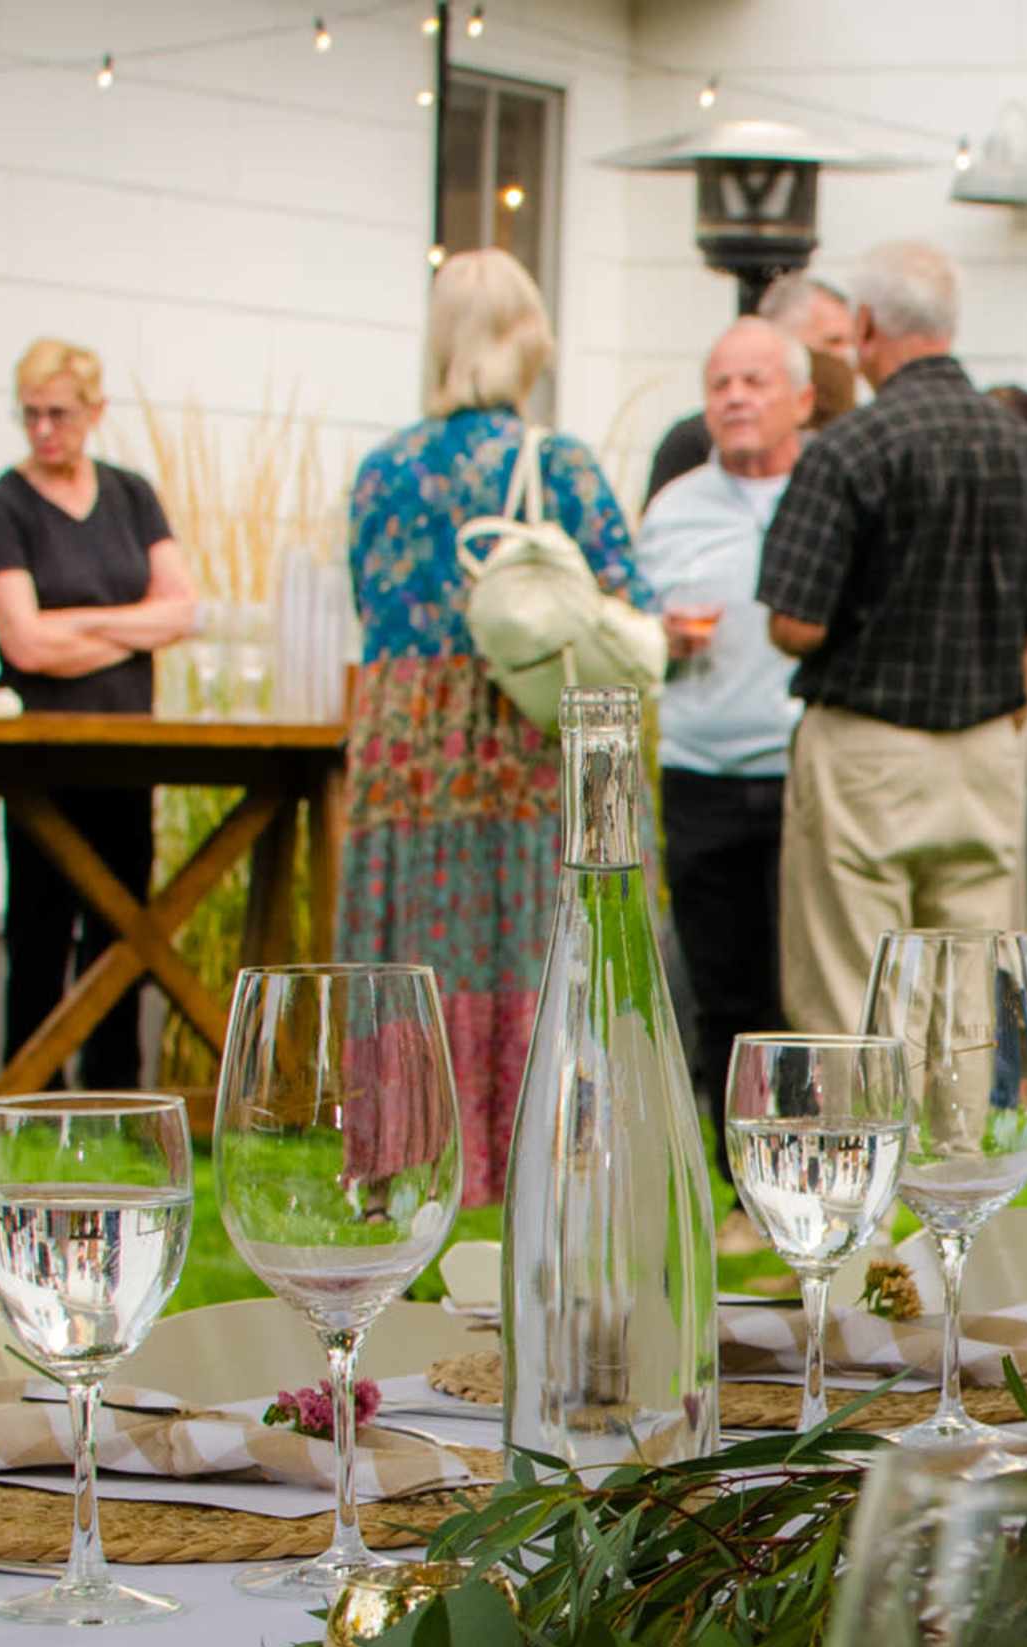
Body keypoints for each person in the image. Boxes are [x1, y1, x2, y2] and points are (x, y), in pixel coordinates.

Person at [340, 251, 648, 1203]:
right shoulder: (553, 463)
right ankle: (538, 1150)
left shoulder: (381, 468)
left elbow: (366, 597)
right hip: (518, 736)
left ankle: (400, 1153)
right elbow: (623, 604)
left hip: (401, 737)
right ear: (526, 341)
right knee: (529, 930)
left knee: (411, 938)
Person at [758, 240, 1027, 1036]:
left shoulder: (850, 448)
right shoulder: (1026, 450)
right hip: (989, 751)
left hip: (868, 751)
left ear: (864, 327)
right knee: (962, 1004)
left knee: (855, 998)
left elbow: (796, 623)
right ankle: (956, 1160)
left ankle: (868, 1162)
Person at [0, 338, 195, 1089]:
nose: (44, 430)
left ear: (94, 413)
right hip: (42, 749)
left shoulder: (131, 496)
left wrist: (78, 628)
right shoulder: (1, 506)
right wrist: (128, 627)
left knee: (122, 924)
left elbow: (182, 609)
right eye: (30, 415)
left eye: (59, 414)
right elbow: (24, 642)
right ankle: (33, 1088)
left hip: (127, 743)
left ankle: (116, 1088)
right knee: (38, 925)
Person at [640, 315, 812, 1120]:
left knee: (800, 988)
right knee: (721, 986)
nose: (736, 398)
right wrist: (660, 636)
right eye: (720, 384)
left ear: (802, 398)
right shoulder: (674, 507)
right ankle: (741, 1183)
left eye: (755, 381)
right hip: (699, 768)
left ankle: (812, 1166)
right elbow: (631, 625)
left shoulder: (829, 489)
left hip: (801, 769)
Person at [646, 272, 852, 505]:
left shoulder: (848, 448)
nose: (847, 357)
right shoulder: (693, 445)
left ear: (804, 400)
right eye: (833, 342)